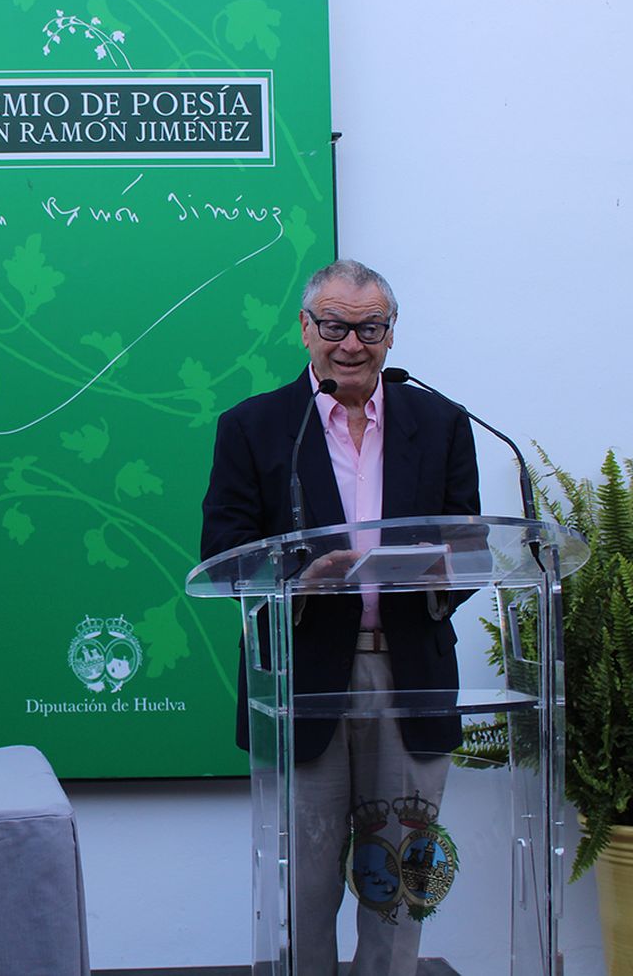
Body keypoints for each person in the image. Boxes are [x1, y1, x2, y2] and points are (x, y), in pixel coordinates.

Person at [199, 260, 479, 975]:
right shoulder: (256, 427)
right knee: (306, 884)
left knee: (399, 881)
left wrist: (439, 573)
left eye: (369, 328)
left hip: (410, 674)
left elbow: (470, 544)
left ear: (391, 334)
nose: (351, 344)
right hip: (302, 677)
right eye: (334, 326)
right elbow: (224, 552)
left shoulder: (441, 422)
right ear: (305, 329)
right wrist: (301, 581)